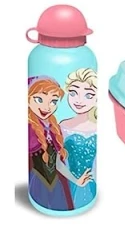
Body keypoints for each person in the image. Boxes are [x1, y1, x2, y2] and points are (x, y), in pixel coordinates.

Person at [28, 76, 92, 211]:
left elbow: (58, 164)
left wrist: (76, 181)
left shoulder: (54, 128)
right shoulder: (28, 127)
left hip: (57, 186)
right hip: (37, 184)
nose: (46, 107)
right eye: (39, 99)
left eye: (53, 101)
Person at [60, 68, 97, 209]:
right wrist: (76, 181)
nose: (79, 100)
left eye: (89, 95)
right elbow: (57, 162)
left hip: (92, 183)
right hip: (69, 183)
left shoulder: (97, 125)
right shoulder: (62, 126)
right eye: (73, 93)